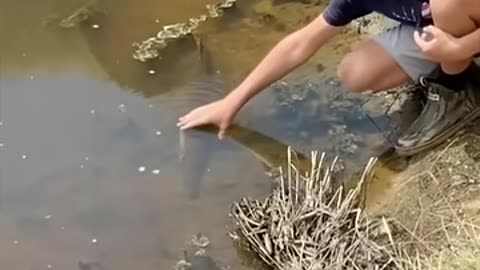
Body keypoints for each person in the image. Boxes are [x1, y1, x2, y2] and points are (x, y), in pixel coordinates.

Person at [177, 0, 480, 156]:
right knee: (355, 72)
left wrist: (458, 48)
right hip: (447, 30)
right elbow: (300, 44)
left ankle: (455, 91)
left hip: (462, 21)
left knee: (448, 4)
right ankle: (455, 67)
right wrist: (233, 101)